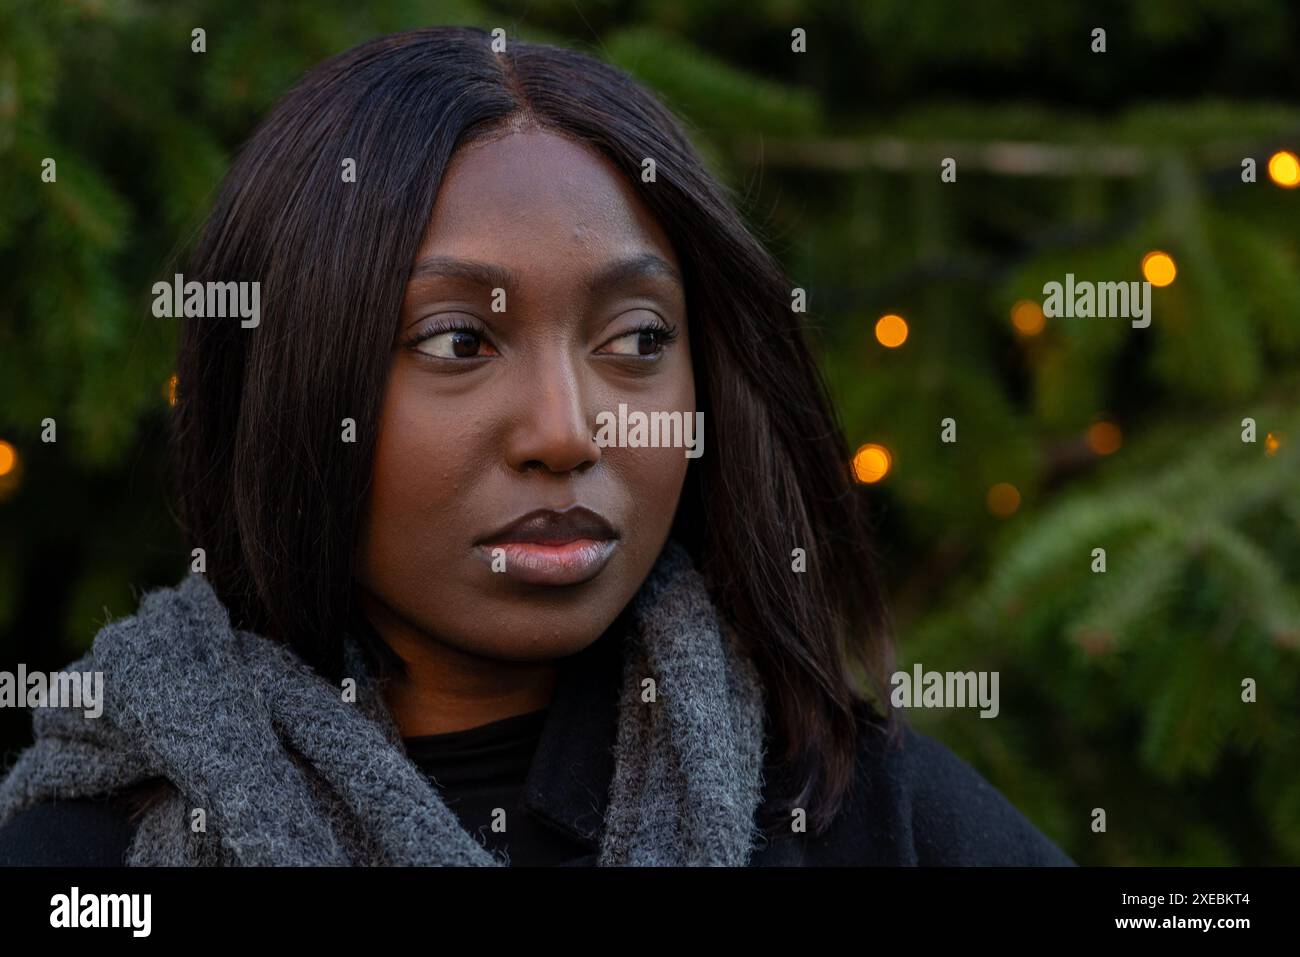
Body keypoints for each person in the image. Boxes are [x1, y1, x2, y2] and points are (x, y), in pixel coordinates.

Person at [0, 26, 1072, 867]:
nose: (567, 431)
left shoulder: (868, 819)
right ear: (292, 379)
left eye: (638, 339)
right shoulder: (94, 847)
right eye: (459, 340)